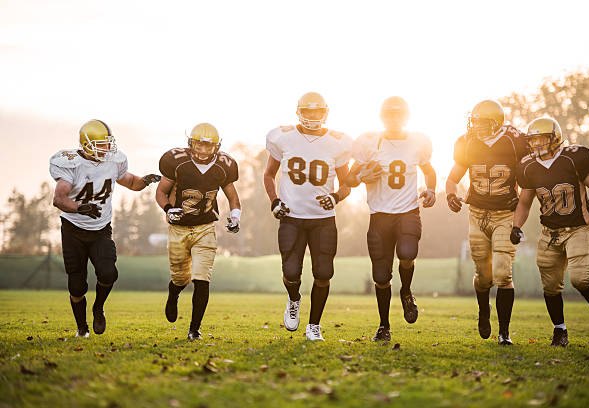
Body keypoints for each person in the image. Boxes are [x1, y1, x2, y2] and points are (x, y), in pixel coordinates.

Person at [50, 119, 161, 337]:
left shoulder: (113, 161)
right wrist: (80, 208)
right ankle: (82, 328)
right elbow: (59, 199)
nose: (106, 148)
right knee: (77, 286)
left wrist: (145, 180)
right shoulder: (71, 163)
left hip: (100, 228)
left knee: (109, 273)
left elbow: (130, 181)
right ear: (86, 143)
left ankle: (98, 307)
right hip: (73, 228)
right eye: (101, 144)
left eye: (108, 143)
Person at [512, 117, 589, 346]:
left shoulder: (574, 157)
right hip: (550, 232)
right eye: (533, 139)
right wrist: (516, 226)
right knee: (550, 285)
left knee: (580, 279)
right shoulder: (528, 166)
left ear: (554, 138)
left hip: (578, 228)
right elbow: (525, 202)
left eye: (541, 138)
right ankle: (560, 330)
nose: (536, 144)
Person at [345, 96, 436, 341]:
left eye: (399, 114)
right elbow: (350, 179)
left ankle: (406, 291)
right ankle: (384, 326)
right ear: (383, 117)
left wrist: (430, 189)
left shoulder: (417, 141)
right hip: (379, 216)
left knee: (407, 254)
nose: (394, 119)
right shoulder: (369, 142)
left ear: (406, 117)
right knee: (381, 277)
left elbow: (429, 170)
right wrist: (362, 174)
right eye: (390, 115)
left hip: (407, 211)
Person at [263, 92, 352, 341]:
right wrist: (274, 201)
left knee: (323, 273)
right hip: (291, 216)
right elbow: (268, 174)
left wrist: (335, 197)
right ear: (299, 111)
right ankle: (294, 299)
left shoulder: (337, 142)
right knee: (291, 273)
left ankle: (314, 326)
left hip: (323, 219)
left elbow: (347, 184)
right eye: (308, 111)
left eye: (317, 111)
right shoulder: (283, 137)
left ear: (325, 113)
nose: (312, 116)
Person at [445, 100, 527, 345]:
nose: (476, 127)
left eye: (481, 122)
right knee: (483, 276)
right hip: (477, 214)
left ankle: (504, 332)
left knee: (503, 272)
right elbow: (452, 178)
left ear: (496, 123)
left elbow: (530, 179)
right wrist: (450, 194)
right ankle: (484, 311)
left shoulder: (515, 141)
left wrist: (521, 217)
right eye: (475, 121)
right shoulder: (468, 142)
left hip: (505, 213)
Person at [156, 123, 241, 340]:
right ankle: (173, 294)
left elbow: (233, 197)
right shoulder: (177, 162)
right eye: (199, 145)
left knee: (202, 278)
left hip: (205, 227)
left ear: (217, 146)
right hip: (179, 229)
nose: (203, 151)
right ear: (190, 143)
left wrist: (235, 216)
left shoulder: (224, 165)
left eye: (208, 146)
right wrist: (168, 209)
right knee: (180, 278)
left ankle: (194, 329)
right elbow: (161, 192)